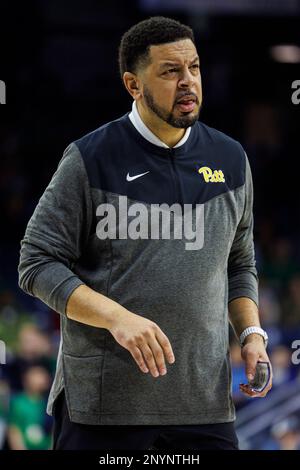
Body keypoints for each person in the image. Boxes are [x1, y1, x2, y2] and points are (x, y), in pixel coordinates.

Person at [18, 16, 272, 450]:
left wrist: (251, 335)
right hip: (105, 410)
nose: (188, 81)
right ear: (133, 85)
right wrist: (116, 318)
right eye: (170, 72)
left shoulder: (230, 158)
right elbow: (36, 263)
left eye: (193, 67)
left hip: (204, 406)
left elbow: (239, 262)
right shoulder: (89, 158)